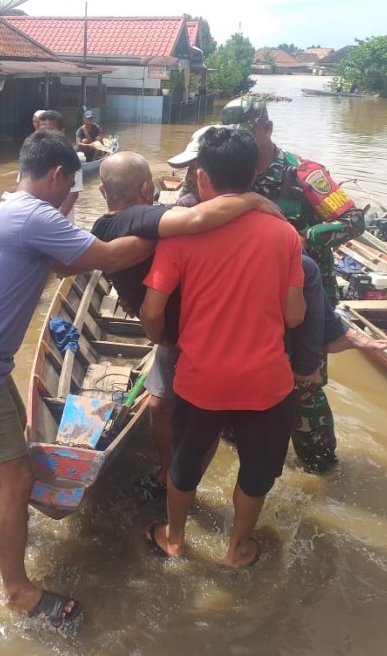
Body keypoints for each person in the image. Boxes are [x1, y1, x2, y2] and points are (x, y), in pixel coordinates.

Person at [0, 129, 154, 627]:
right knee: (19, 473)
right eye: (72, 191)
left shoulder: (6, 210)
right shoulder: (35, 214)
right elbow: (110, 258)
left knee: (12, 458)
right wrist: (163, 226)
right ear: (56, 176)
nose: (70, 203)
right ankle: (18, 593)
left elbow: (61, 261)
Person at [139, 126, 306, 565]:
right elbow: (294, 316)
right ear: (253, 172)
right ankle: (237, 549)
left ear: (202, 178)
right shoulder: (284, 234)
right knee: (257, 470)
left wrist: (161, 338)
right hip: (266, 382)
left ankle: (174, 539)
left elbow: (152, 312)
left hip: (201, 378)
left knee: (185, 462)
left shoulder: (180, 235)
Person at [90, 149, 284, 501]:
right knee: (168, 406)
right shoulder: (160, 218)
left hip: (182, 334)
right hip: (178, 335)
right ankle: (174, 473)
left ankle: (173, 474)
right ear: (148, 188)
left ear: (103, 193)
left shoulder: (103, 227)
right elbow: (192, 218)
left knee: (171, 409)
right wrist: (252, 199)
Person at [222, 96, 370, 474]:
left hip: (307, 296)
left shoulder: (303, 174)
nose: (238, 145)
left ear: (267, 129)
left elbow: (353, 219)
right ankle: (240, 455)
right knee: (242, 377)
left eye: (246, 136)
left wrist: (302, 238)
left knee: (305, 385)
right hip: (251, 297)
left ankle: (319, 465)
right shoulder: (231, 170)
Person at [36, 110, 82, 222]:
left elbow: (73, 193)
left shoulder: (70, 157)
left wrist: (55, 222)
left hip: (60, 223)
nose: (46, 135)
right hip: (35, 221)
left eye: (51, 130)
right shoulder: (32, 156)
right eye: (42, 130)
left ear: (62, 132)